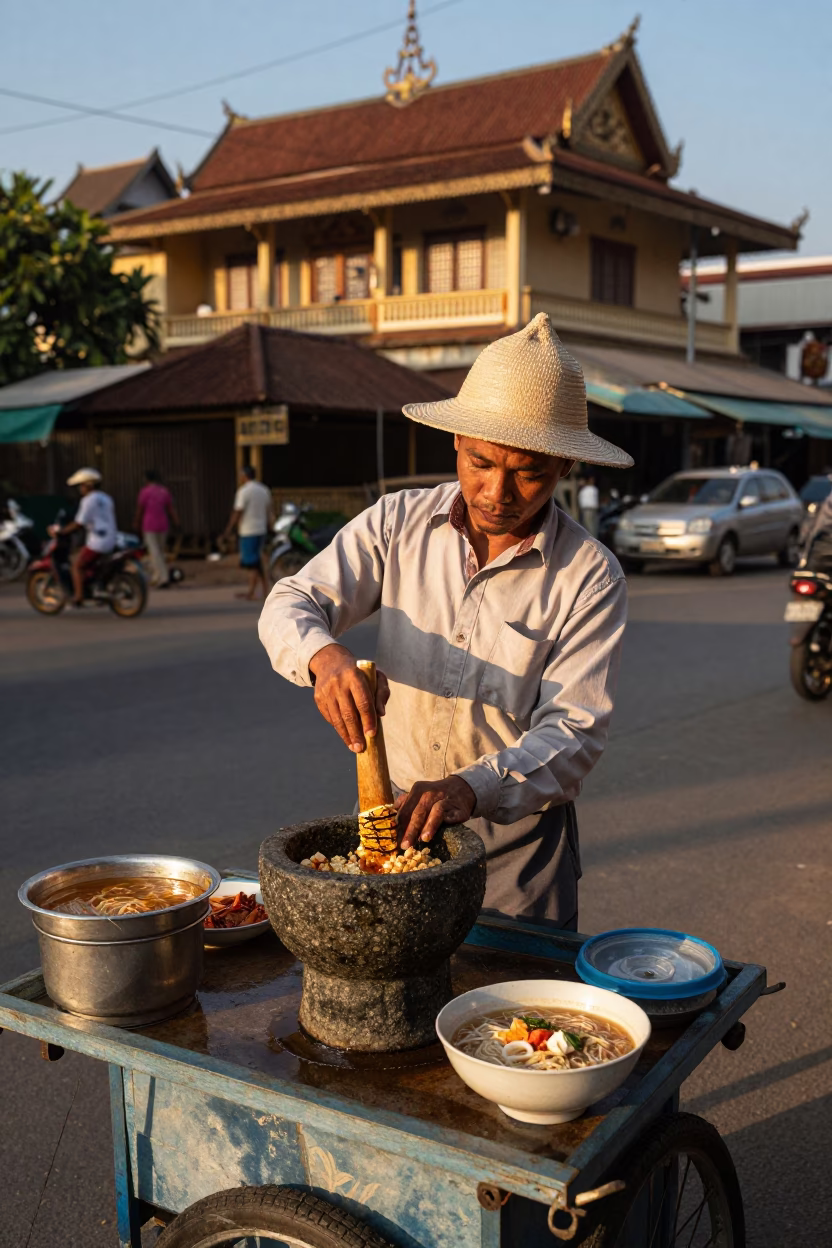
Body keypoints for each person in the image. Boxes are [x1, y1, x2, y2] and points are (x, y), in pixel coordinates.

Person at [258, 314, 634, 929]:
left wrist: (471, 787)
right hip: (392, 825)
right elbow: (292, 600)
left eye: (528, 473)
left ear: (564, 468)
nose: (497, 493)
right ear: (456, 442)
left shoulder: (589, 576)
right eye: (481, 462)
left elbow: (575, 731)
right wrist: (325, 658)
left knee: (512, 989)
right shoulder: (396, 523)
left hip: (516, 851)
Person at [51, 468, 117, 607]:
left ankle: (78, 597)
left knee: (76, 566)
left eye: (81, 485)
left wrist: (63, 531)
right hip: (111, 538)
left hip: (98, 542)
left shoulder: (88, 500)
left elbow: (79, 523)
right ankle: (94, 586)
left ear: (88, 485)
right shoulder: (107, 498)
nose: (80, 489)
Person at [223, 464, 274, 600]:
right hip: (261, 529)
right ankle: (262, 589)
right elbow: (269, 511)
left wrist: (229, 529)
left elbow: (238, 511)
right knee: (257, 560)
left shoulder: (243, 492)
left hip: (248, 530)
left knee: (252, 563)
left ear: (244, 476)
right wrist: (270, 526)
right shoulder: (264, 490)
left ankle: (254, 591)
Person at [133, 469, 179, 588]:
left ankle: (163, 578)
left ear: (146, 479)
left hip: (149, 525)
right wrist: (176, 522)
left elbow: (140, 509)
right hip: (163, 524)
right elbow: (170, 509)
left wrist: (136, 523)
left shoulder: (145, 492)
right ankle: (156, 576)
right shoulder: (164, 491)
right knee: (160, 552)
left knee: (155, 553)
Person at [578, 473, 600, 538]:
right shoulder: (583, 490)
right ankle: (591, 538)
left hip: (590, 509)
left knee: (590, 525)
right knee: (588, 524)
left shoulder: (592, 489)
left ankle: (592, 538)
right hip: (587, 509)